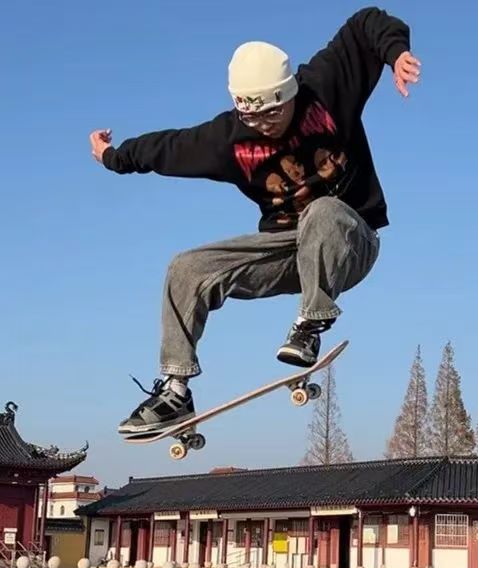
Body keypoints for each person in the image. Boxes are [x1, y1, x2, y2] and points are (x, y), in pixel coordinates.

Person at [89, 7, 420, 435]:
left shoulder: (326, 86)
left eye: (271, 114)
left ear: (289, 93)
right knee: (186, 268)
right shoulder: (227, 140)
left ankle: (310, 324)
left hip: (351, 241)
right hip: (287, 252)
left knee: (322, 210)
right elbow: (167, 148)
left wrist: (396, 53)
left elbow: (366, 23)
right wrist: (113, 157)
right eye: (251, 117)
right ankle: (175, 391)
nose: (262, 126)